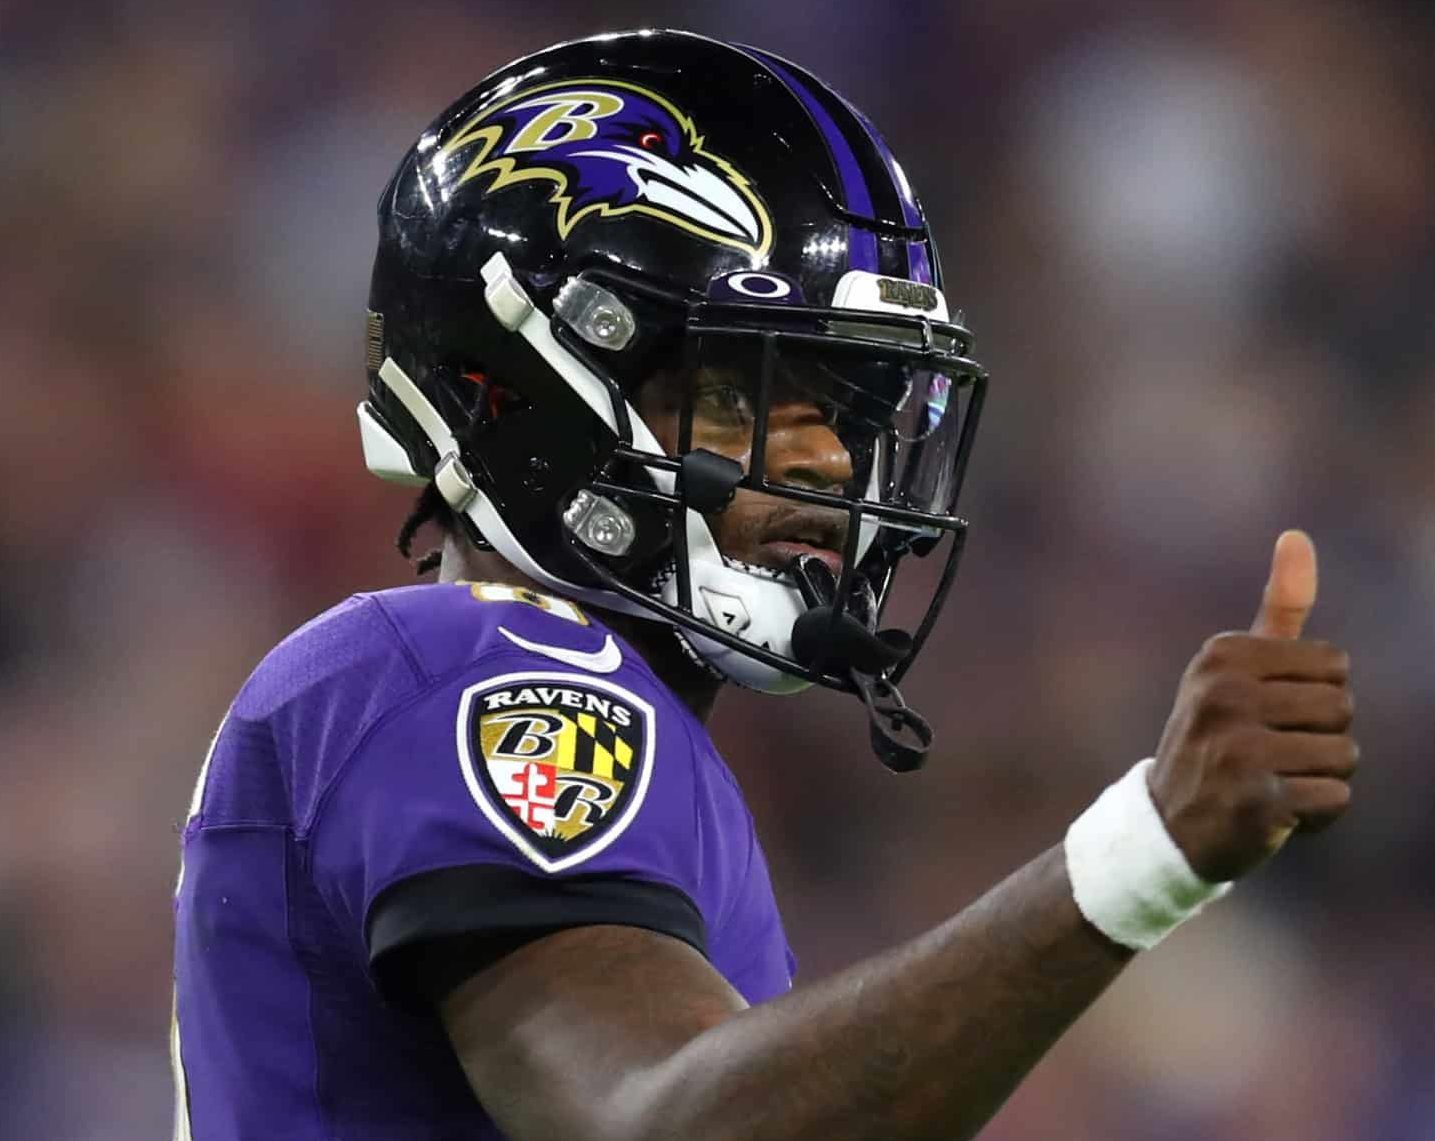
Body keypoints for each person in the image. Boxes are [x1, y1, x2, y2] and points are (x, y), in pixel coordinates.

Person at [170, 28, 1359, 1140]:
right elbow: (654, 1118)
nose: (826, 460)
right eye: (740, 395)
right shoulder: (461, 665)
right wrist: (1138, 853)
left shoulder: (548, 713)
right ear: (520, 383)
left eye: (845, 411)